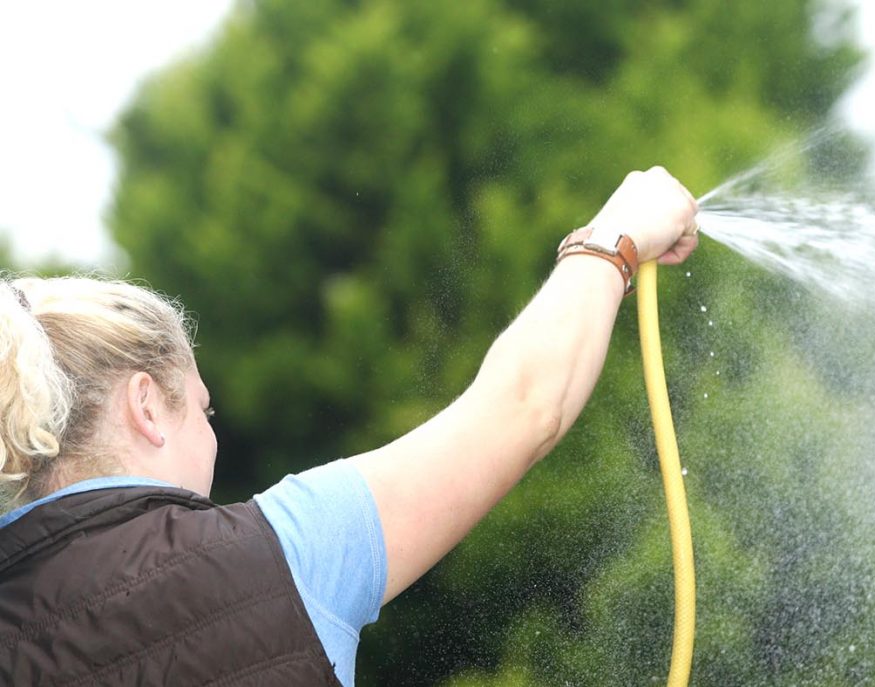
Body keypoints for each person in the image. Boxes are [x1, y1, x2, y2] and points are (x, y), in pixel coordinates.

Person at [0, 167, 699, 686]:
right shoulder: (286, 551)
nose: (213, 437)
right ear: (147, 406)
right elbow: (525, 405)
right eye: (203, 410)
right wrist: (614, 236)